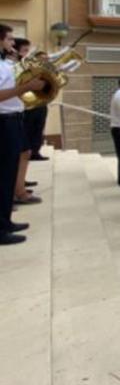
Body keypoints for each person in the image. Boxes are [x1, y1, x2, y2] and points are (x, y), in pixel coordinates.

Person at [0, 24, 45, 245]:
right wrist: (26, 86)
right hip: (3, 122)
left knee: (8, 174)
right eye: (9, 39)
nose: (12, 43)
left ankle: (5, 221)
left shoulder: (4, 65)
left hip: (13, 120)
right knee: (3, 174)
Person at [11, 39, 40, 206]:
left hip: (17, 114)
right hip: (8, 116)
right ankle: (17, 192)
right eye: (25, 51)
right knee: (16, 155)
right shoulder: (9, 66)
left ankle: (19, 188)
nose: (27, 54)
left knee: (25, 152)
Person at [23, 51, 49, 164]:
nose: (45, 60)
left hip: (42, 105)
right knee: (28, 130)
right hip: (30, 105)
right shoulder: (29, 71)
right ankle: (27, 153)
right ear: (35, 60)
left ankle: (36, 152)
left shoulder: (47, 73)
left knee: (39, 130)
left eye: (46, 59)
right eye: (42, 58)